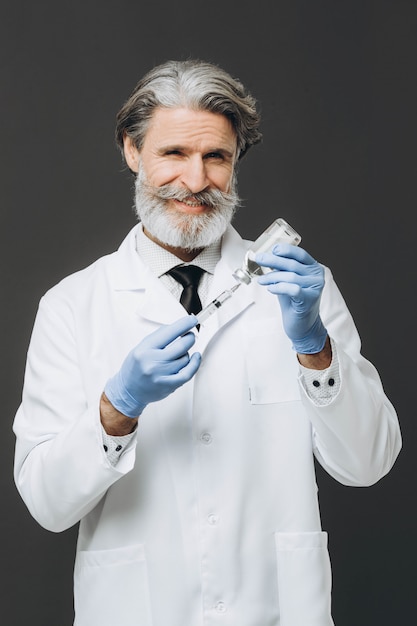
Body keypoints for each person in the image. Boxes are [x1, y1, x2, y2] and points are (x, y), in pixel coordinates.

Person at [13, 59, 401, 626]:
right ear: (131, 151)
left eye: (215, 157)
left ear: (235, 161)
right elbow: (47, 505)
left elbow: (368, 463)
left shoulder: (297, 290)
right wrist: (117, 407)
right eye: (173, 154)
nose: (195, 182)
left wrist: (315, 347)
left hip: (276, 609)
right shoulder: (72, 306)